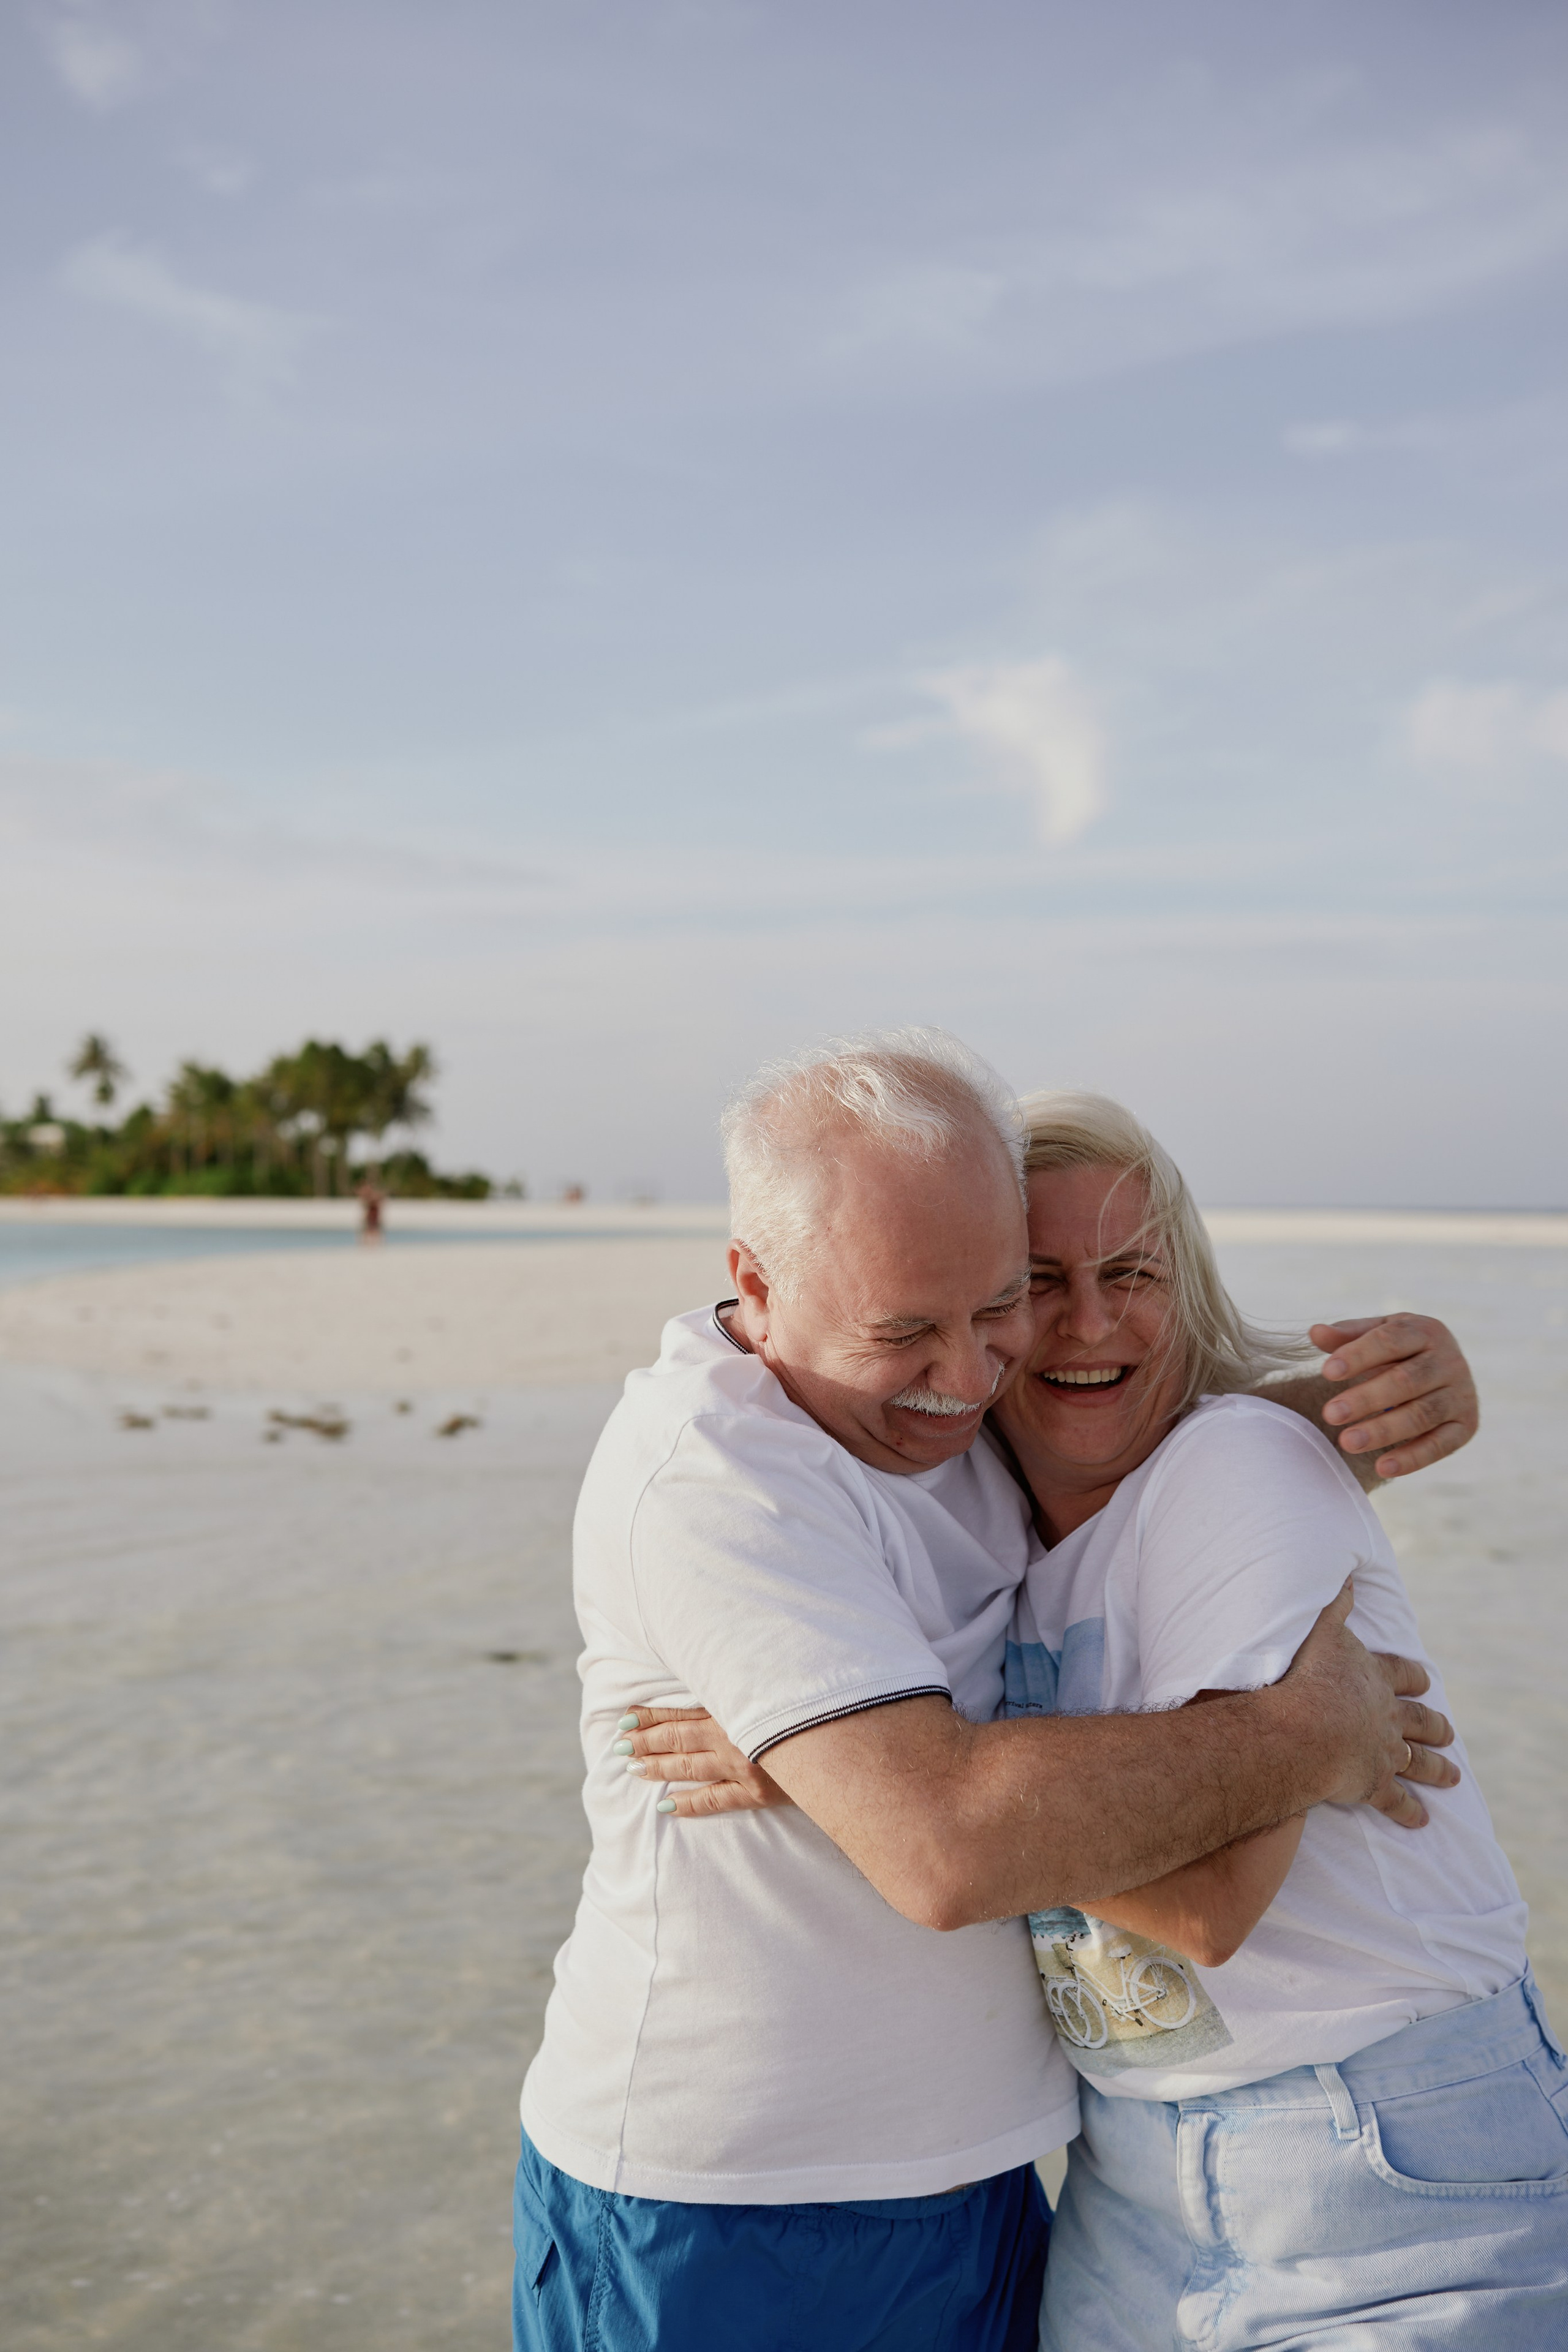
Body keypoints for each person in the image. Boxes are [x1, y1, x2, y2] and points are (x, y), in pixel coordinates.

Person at [517, 1030, 1474, 2352]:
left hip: (995, 2182)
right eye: (905, 1331)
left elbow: (1147, 1461)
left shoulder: (951, 1417)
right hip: (728, 2198)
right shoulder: (716, 1472)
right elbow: (943, 1846)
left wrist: (1368, 1401)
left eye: (989, 1311)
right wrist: (1308, 1731)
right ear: (756, 1280)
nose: (965, 1375)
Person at [986, 1091, 1566, 2348]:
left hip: (1384, 2167)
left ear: (1184, 1288)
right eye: (1037, 1280)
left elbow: (1205, 1902)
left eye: (1130, 1272)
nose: (1087, 1320)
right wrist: (818, 1750)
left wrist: (874, 1784)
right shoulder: (991, 1537)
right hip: (1126, 2184)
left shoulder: (1236, 1463)